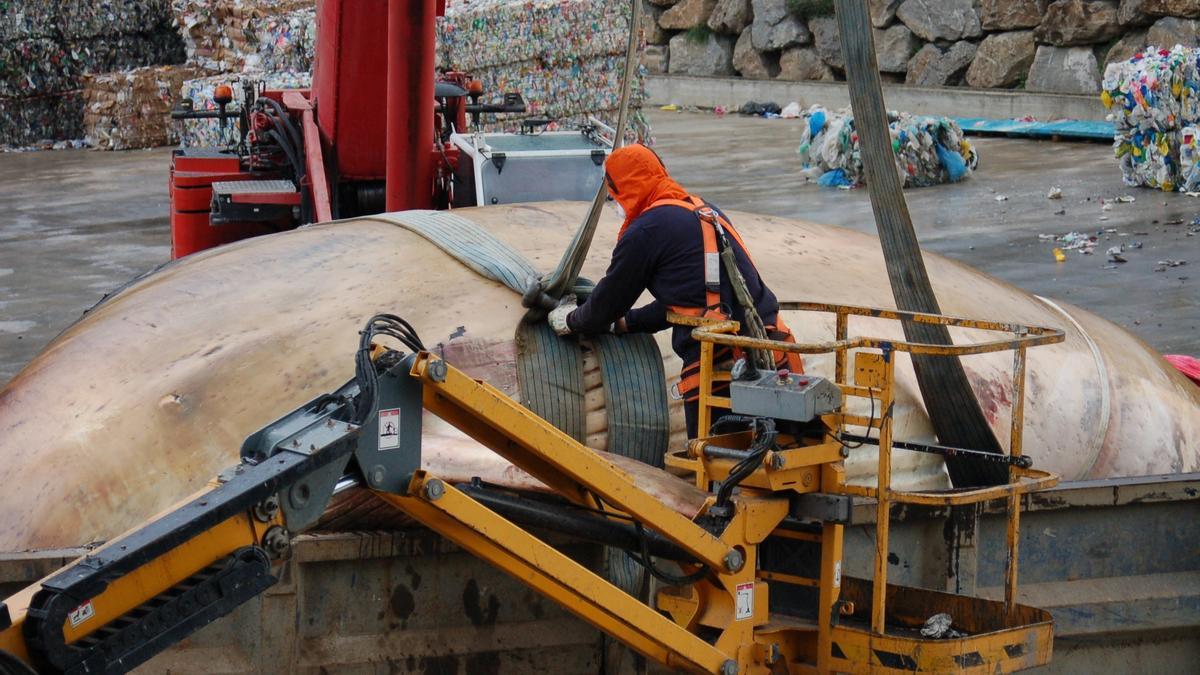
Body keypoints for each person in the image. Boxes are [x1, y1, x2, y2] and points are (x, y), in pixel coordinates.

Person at [547, 143, 802, 438]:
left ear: (625, 190)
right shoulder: (704, 211)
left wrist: (568, 320)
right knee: (785, 460)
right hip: (776, 356)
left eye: (614, 196)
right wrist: (629, 322)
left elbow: (605, 306)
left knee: (719, 475)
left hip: (721, 374)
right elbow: (691, 301)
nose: (615, 204)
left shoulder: (645, 231)